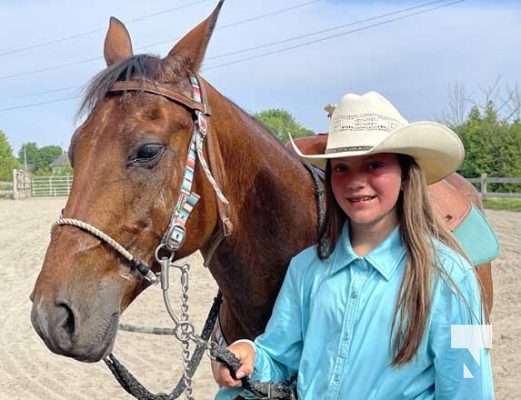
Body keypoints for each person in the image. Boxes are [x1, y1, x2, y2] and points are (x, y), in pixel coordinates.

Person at [212, 91, 494, 399]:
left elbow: (471, 385)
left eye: (373, 165)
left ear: (404, 175)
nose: (355, 181)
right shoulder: (306, 268)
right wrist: (249, 354)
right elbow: (278, 356)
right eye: (342, 167)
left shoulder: (456, 277)